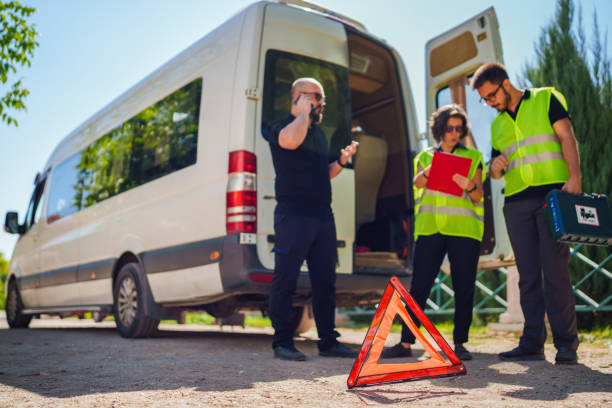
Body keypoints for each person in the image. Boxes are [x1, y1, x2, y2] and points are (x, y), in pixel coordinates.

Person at [471, 62, 580, 365]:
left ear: (505, 84)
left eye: (491, 95)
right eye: (485, 99)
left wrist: (575, 179)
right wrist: (494, 169)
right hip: (516, 203)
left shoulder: (546, 99)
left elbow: (566, 137)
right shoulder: (497, 125)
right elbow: (495, 171)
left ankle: (567, 344)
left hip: (551, 197)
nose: (489, 103)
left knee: (555, 271)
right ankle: (532, 342)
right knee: (527, 275)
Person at [267, 77, 359, 361]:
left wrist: (342, 162)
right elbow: (291, 142)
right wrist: (304, 112)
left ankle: (328, 342)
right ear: (299, 97)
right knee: (286, 279)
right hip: (293, 215)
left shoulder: (318, 134)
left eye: (321, 99)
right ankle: (282, 342)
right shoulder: (282, 127)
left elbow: (324, 172)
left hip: (322, 216)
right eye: (316, 97)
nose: (322, 103)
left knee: (325, 281)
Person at [383, 104, 485, 361]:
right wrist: (435, 167)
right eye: (449, 127)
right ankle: (406, 344)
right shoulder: (425, 157)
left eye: (459, 128)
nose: (454, 132)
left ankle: (460, 344)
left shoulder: (473, 156)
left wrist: (470, 184)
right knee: (419, 288)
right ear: (440, 128)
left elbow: (478, 196)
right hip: (430, 230)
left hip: (464, 231)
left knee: (464, 289)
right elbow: (417, 182)